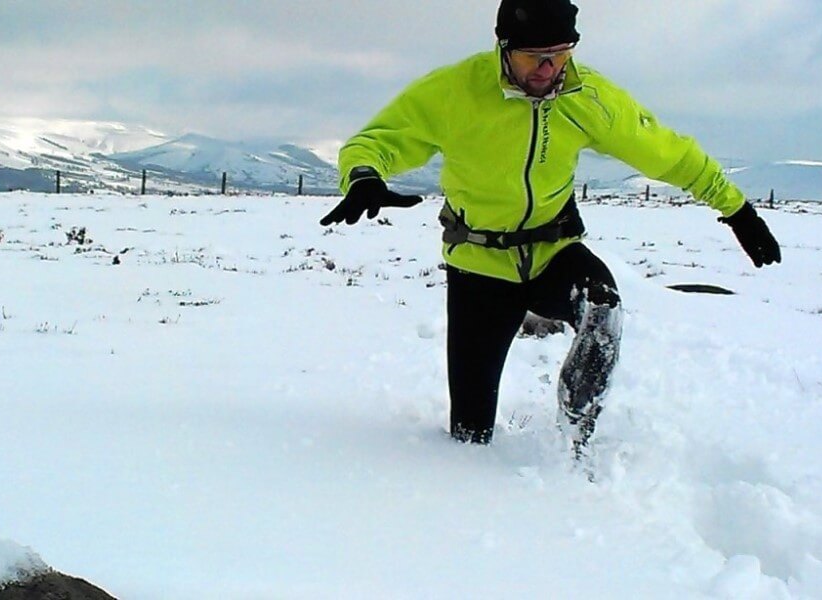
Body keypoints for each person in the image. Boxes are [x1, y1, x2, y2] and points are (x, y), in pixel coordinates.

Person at [319, 0, 780, 454]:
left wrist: (737, 209)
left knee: (603, 305)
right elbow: (377, 141)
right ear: (503, 48)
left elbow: (670, 154)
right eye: (533, 57)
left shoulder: (588, 97)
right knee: (470, 436)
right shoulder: (453, 91)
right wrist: (363, 176)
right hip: (480, 269)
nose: (548, 69)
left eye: (560, 54)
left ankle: (576, 442)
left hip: (554, 253)